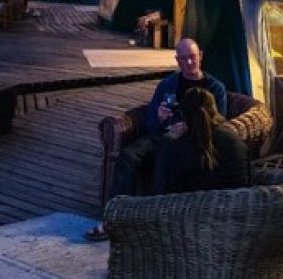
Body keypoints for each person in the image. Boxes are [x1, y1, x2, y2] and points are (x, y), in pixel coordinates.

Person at [85, 38, 228, 241]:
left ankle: (154, 224)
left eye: (192, 57)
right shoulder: (167, 85)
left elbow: (220, 122)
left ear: (201, 56)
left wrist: (189, 126)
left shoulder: (215, 88)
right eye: (183, 58)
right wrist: (159, 117)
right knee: (127, 157)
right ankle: (113, 219)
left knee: (165, 160)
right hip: (162, 134)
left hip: (193, 139)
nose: (189, 62)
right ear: (177, 60)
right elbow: (150, 122)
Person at [151, 87, 249, 195]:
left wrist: (168, 140)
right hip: (237, 202)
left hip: (191, 204)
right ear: (215, 110)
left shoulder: (176, 147)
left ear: (183, 114)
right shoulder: (234, 140)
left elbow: (163, 192)